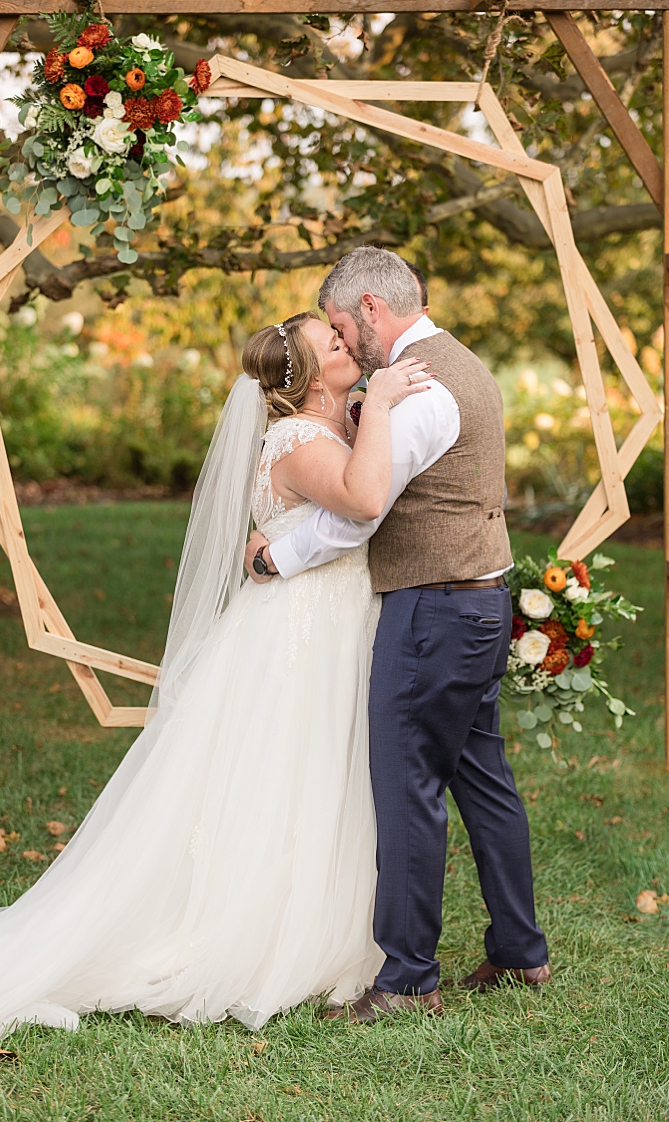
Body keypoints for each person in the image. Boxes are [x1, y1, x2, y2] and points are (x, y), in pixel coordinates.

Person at [0, 311, 432, 1064]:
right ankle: (264, 937)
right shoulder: (299, 441)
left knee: (325, 773)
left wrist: (374, 415)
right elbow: (360, 500)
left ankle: (332, 923)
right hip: (302, 634)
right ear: (312, 377)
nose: (349, 345)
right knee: (296, 774)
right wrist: (382, 405)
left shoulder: (333, 428)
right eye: (334, 344)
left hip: (327, 621)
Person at [245, 247, 550, 1022]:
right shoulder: (459, 366)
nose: (348, 345)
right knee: (484, 780)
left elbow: (363, 507)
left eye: (346, 329)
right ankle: (521, 951)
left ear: (372, 310)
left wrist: (279, 553)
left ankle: (409, 979)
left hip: (434, 609)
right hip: (477, 601)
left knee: (410, 788)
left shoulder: (416, 390)